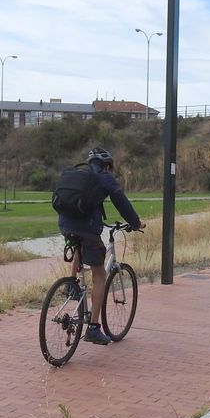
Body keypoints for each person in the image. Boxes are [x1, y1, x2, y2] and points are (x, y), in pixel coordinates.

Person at [57, 146, 145, 345]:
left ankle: (71, 285)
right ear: (107, 166)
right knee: (99, 273)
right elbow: (121, 202)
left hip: (65, 224)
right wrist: (136, 223)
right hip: (87, 228)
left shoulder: (78, 173)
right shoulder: (104, 177)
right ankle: (94, 328)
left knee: (78, 244)